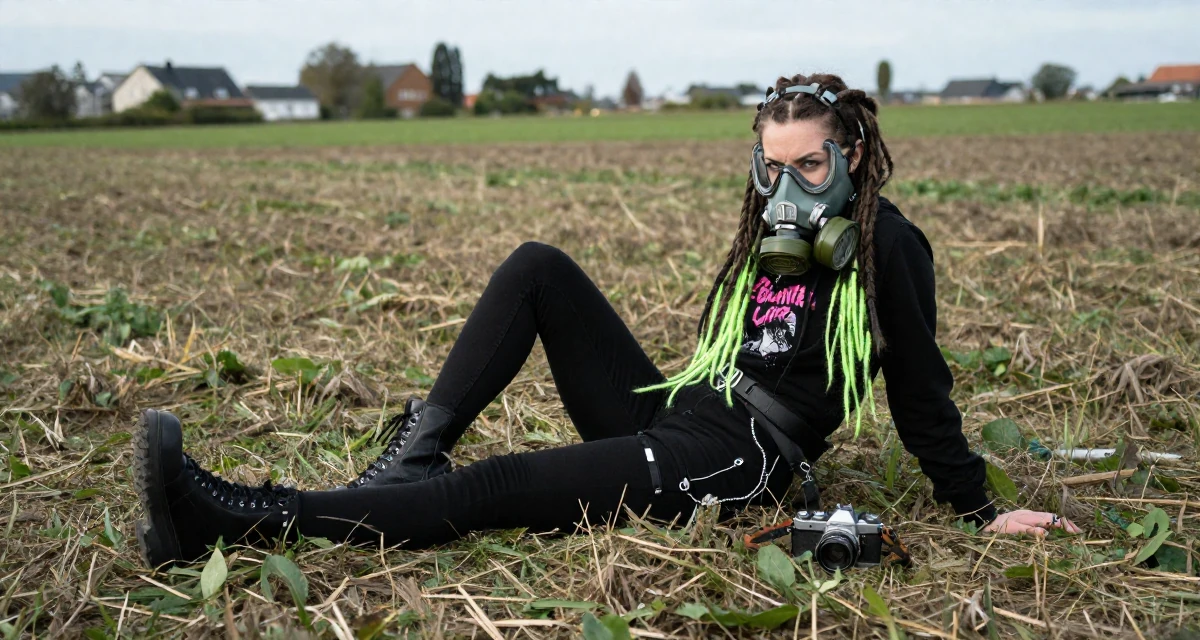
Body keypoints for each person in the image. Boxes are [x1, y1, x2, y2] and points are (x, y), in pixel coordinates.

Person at [133, 73, 1079, 568]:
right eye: (771, 166)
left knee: (497, 489)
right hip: (681, 409)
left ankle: (241, 522)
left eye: (811, 166)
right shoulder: (773, 236)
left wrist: (981, 508)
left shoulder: (887, 250)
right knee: (539, 268)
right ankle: (412, 456)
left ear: (855, 152)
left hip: (741, 456)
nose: (787, 186)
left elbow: (922, 392)